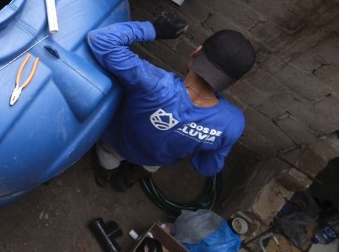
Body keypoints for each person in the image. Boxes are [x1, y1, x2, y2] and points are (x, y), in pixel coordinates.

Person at [87, 12, 255, 191]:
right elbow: (206, 167)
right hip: (156, 159)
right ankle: (126, 182)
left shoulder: (155, 83)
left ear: (197, 52)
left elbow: (101, 39)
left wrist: (155, 29)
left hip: (119, 142)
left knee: (108, 155)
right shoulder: (233, 122)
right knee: (149, 166)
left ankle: (105, 177)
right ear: (235, 82)